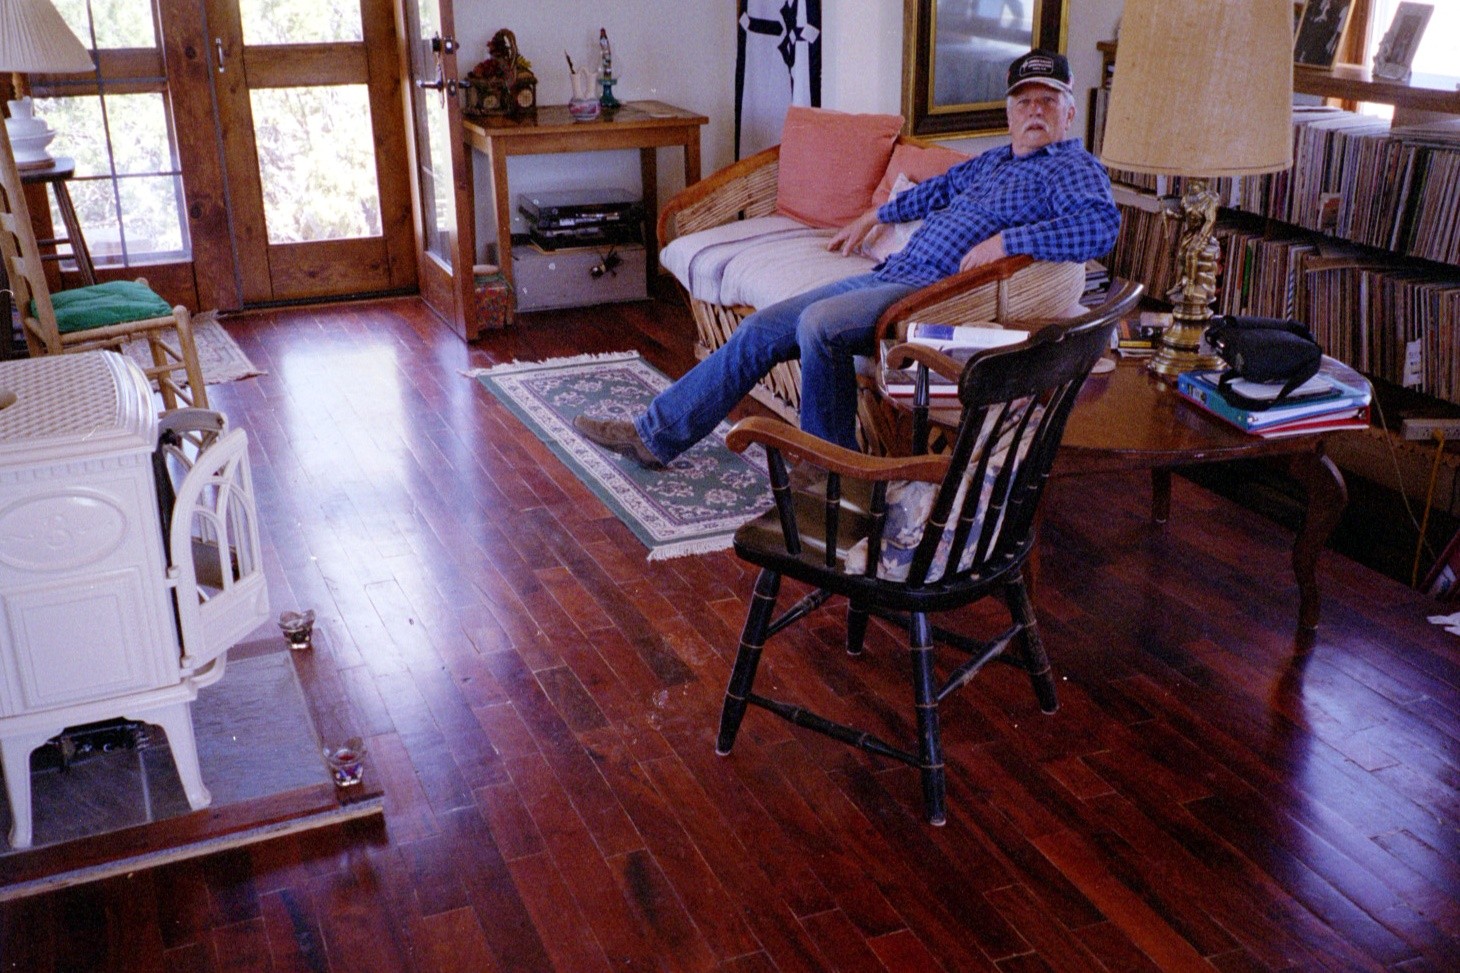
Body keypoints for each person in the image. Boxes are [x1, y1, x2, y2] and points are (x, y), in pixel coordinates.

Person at [575, 49, 1120, 469]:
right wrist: (875, 215)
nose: (1034, 110)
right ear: (1008, 111)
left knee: (819, 324)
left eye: (1047, 100)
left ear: (1069, 111)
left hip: (937, 296)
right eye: (1024, 101)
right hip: (896, 274)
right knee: (763, 329)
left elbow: (1101, 226)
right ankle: (655, 436)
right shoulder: (995, 161)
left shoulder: (1072, 168)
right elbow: (936, 189)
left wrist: (1007, 243)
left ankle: (828, 474)